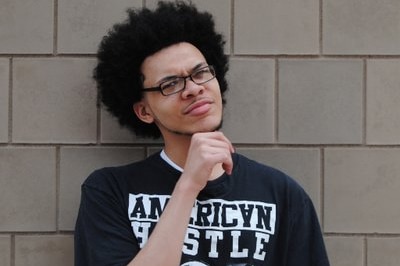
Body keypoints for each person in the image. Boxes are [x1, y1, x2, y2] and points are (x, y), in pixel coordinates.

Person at [74, 1, 330, 265]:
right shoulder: (110, 191)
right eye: (170, 84)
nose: (194, 89)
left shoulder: (281, 194)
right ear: (144, 111)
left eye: (200, 73)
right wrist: (188, 185)